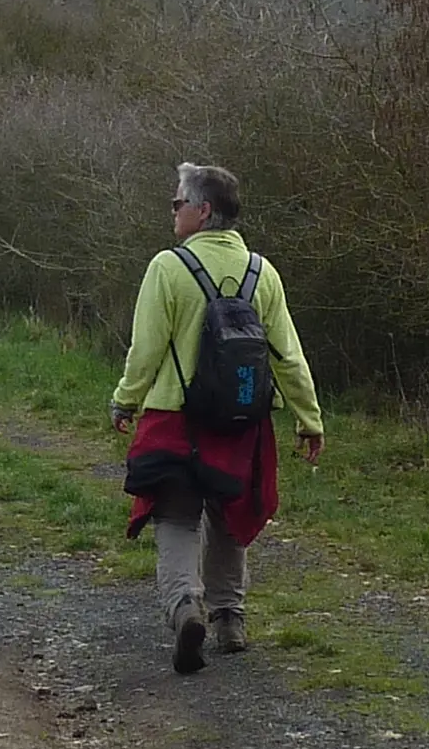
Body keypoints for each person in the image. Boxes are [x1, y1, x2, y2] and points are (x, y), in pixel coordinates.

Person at [110, 161, 324, 674]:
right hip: (242, 422)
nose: (173, 211)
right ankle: (230, 619)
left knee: (176, 518)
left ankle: (186, 606)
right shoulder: (262, 273)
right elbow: (288, 356)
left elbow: (146, 349)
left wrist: (125, 399)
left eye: (178, 203)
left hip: (174, 420)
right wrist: (308, 418)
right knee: (230, 516)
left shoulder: (168, 268)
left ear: (203, 211)